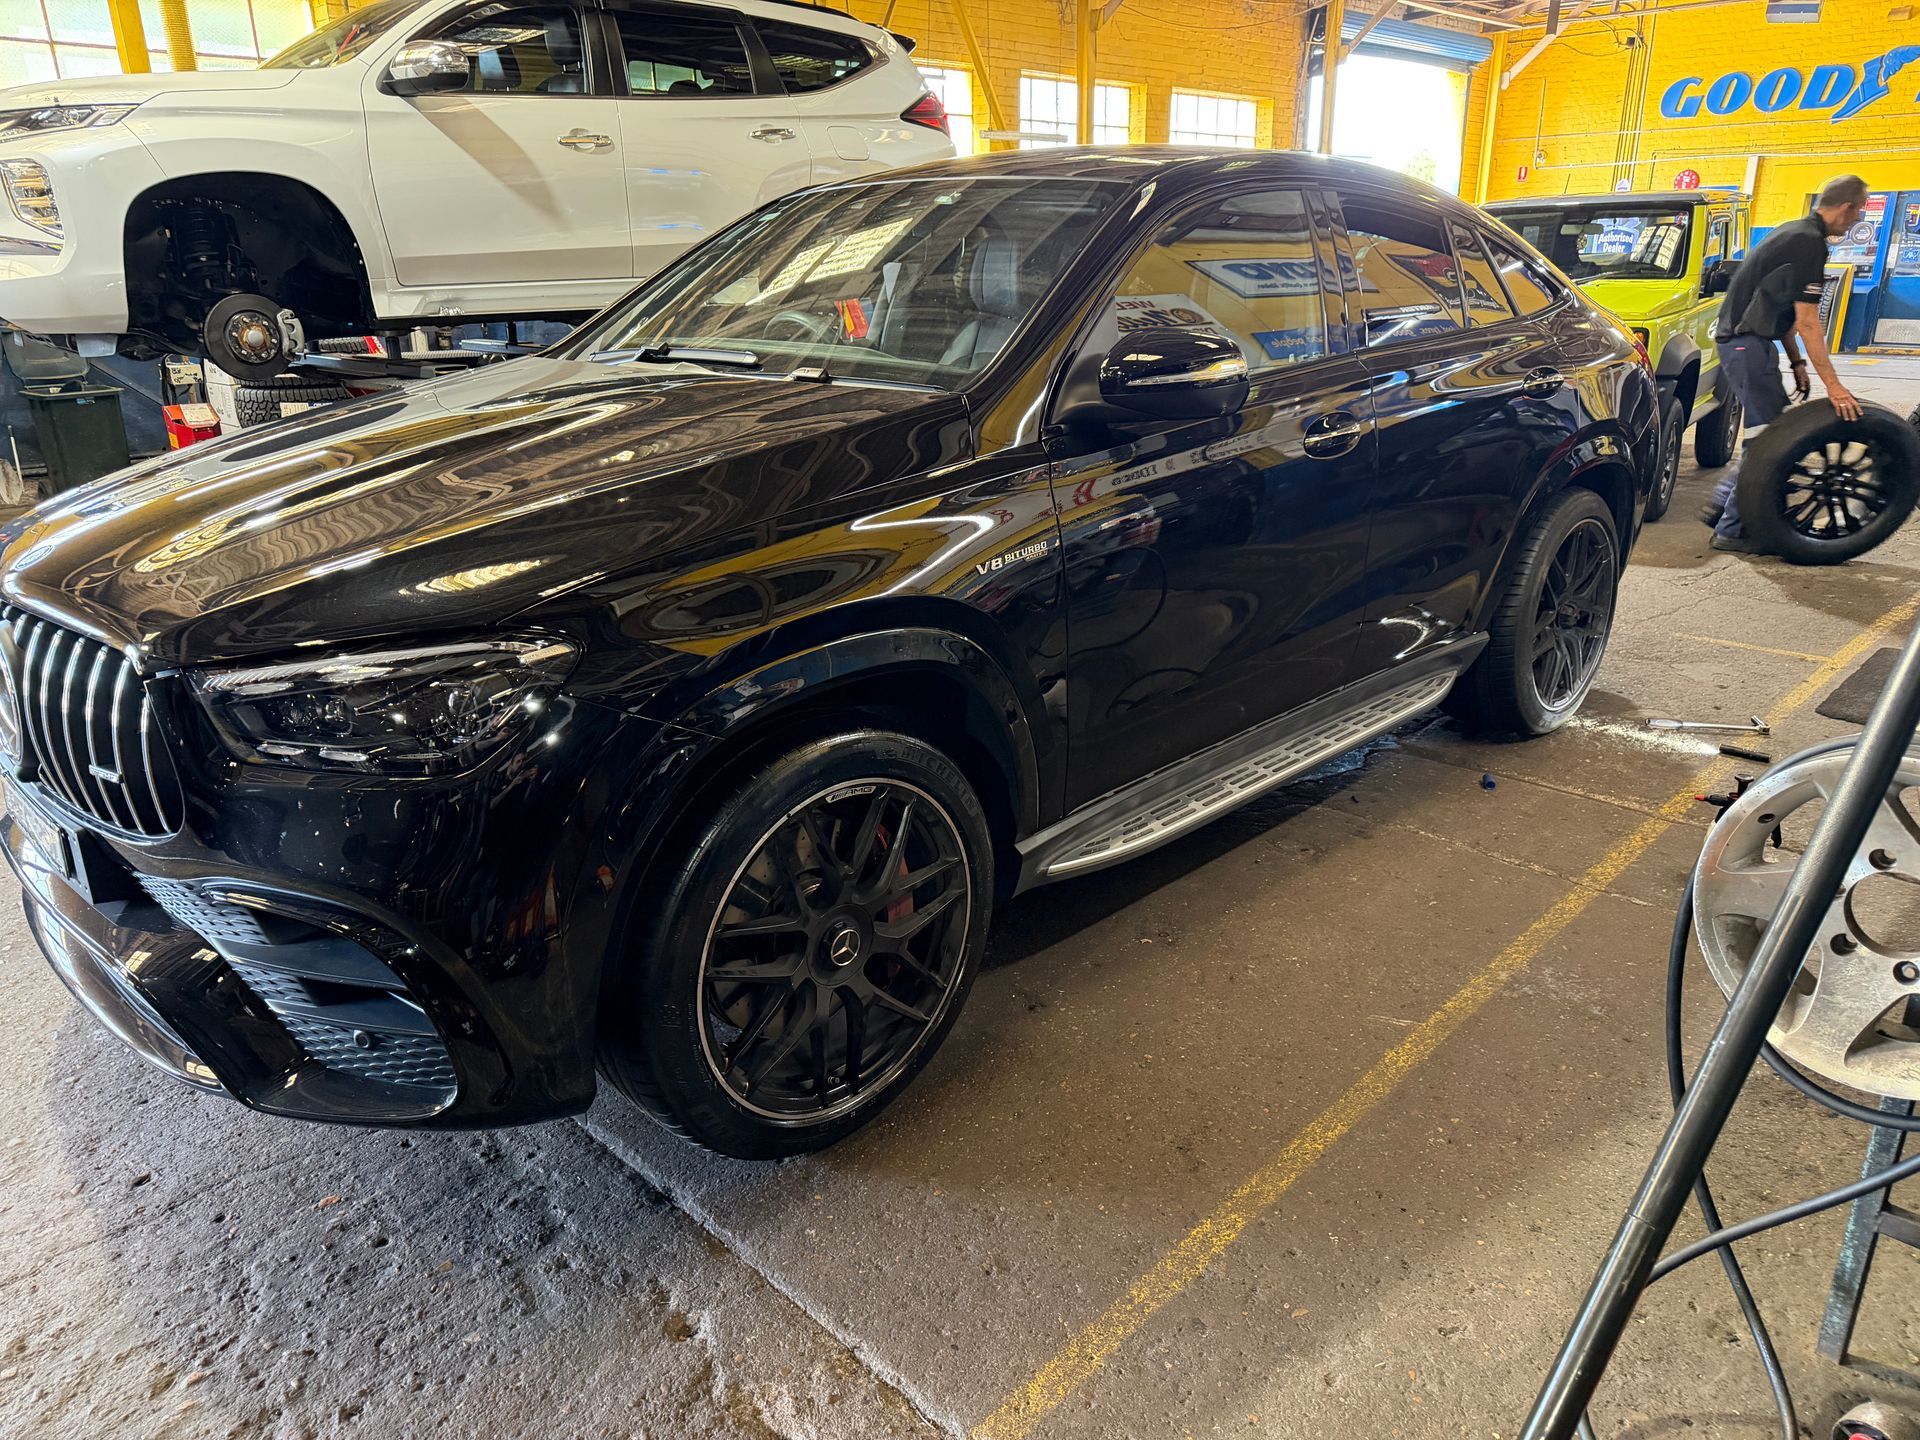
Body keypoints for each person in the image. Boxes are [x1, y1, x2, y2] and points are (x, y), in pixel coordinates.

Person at [1701, 174, 1868, 553]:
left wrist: (1797, 364)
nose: (1858, 218)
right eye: (1858, 210)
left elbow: (1783, 309)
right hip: (1746, 345)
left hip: (1746, 343)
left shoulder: (1794, 232)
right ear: (1846, 208)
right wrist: (1835, 387)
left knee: (1766, 432)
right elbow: (1809, 322)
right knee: (1769, 442)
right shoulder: (1810, 244)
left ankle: (1721, 506)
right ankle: (1731, 530)